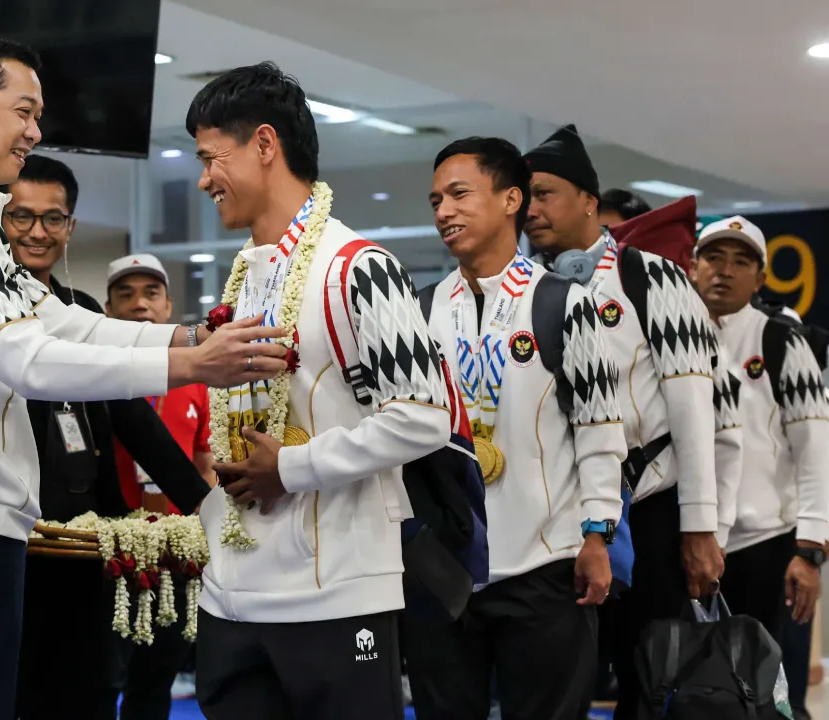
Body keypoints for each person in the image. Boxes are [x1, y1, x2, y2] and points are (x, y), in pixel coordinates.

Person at [0, 33, 285, 720]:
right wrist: (190, 365)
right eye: (22, 111)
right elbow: (29, 358)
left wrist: (186, 336)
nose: (35, 131)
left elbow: (59, 321)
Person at [185, 62, 451, 720]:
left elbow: (424, 417)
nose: (202, 179)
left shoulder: (358, 267)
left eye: (212, 158)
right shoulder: (246, 276)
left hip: (343, 597)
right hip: (234, 596)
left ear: (265, 146)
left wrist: (292, 467)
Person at [408, 137, 626, 720]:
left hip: (547, 565)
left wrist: (598, 533)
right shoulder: (420, 310)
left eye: (458, 194)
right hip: (444, 568)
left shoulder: (564, 301)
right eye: (435, 201)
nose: (443, 212)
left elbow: (600, 427)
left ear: (511, 199)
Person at [521, 125, 725, 718]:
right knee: (567, 682)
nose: (531, 210)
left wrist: (700, 528)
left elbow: (693, 411)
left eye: (545, 194)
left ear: (588, 199)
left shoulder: (651, 278)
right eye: (524, 197)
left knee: (652, 680)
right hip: (563, 517)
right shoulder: (533, 290)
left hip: (651, 516)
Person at [2, 154, 211, 719]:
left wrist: (205, 506)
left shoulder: (81, 310)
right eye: (21, 217)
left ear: (70, 227)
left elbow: (133, 417)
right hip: (6, 540)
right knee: (14, 690)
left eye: (52, 218)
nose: (37, 232)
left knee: (91, 692)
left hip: (86, 542)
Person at [691, 216, 828, 660]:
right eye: (713, 257)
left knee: (766, 689)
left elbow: (815, 449)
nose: (725, 270)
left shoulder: (783, 341)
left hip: (766, 544)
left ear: (760, 278)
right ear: (693, 267)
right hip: (690, 542)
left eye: (740, 261)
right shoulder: (674, 338)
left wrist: (810, 551)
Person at [105, 253, 215, 718]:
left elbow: (206, 463)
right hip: (108, 551)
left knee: (155, 682)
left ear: (168, 306)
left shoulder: (196, 380)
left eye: (151, 294)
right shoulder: (95, 378)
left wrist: (201, 532)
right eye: (125, 295)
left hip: (173, 554)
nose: (139, 306)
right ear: (107, 311)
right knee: (100, 677)